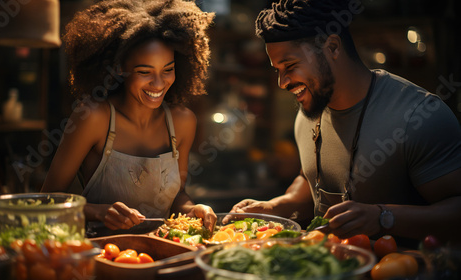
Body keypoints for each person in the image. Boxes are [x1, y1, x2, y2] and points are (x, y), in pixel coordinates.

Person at [231, 0, 461, 247]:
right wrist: (275, 206)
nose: (282, 82)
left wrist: (383, 217)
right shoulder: (308, 113)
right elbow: (310, 180)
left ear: (332, 47)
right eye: (277, 69)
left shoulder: (419, 116)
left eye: (290, 66)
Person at [41, 0, 217, 237]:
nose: (158, 83)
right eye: (144, 72)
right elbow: (47, 199)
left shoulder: (183, 122)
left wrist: (193, 208)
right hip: (103, 255)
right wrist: (98, 212)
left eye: (168, 70)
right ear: (118, 68)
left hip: (160, 252)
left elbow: (176, 195)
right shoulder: (93, 118)